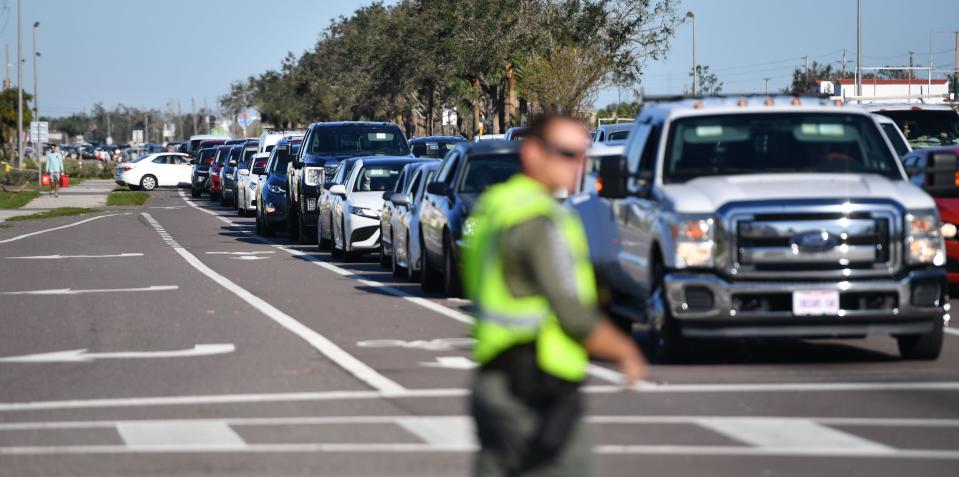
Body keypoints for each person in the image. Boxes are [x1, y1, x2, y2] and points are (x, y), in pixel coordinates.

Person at [464, 113, 646, 477]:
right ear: (533, 152)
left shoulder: (497, 205)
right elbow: (571, 311)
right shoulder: (536, 219)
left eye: (582, 154)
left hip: (494, 381)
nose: (576, 164)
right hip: (533, 389)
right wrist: (625, 350)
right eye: (566, 153)